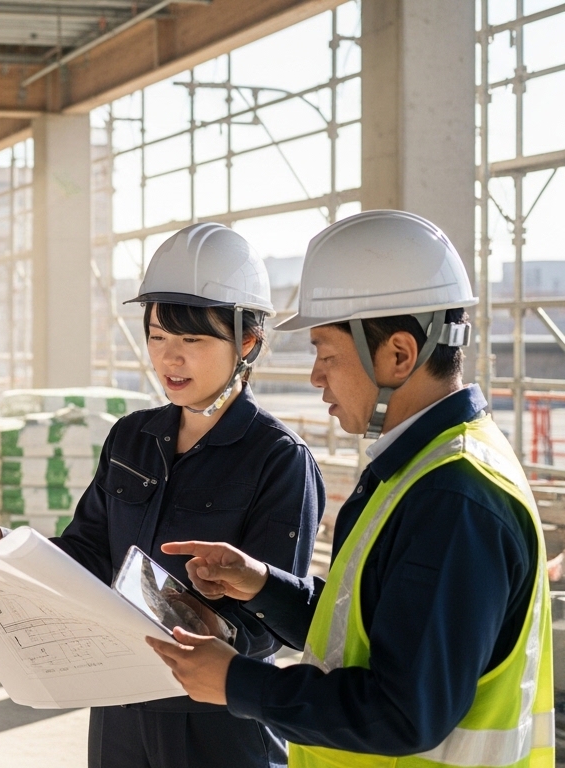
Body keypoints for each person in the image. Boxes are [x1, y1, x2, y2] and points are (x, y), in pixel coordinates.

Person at [147, 210, 554, 767]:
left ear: (399, 355)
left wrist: (236, 682)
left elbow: (403, 711)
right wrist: (264, 585)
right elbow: (370, 631)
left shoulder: (454, 498)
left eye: (327, 354)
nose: (316, 375)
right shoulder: (418, 472)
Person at [0, 222, 325, 768]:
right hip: (121, 707)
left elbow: (276, 622)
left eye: (192, 340)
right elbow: (86, 552)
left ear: (247, 342)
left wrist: (198, 624)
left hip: (216, 719)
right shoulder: (133, 436)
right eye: (158, 336)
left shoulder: (278, 459)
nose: (169, 358)